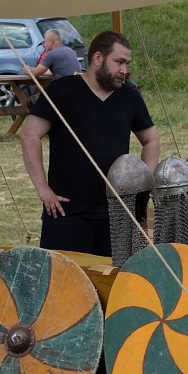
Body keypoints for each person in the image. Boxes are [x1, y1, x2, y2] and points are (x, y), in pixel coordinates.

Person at [20, 30, 159, 257]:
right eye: (119, 62)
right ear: (97, 58)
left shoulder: (129, 96)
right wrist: (43, 189)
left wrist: (142, 185)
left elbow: (151, 140)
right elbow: (29, 136)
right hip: (66, 213)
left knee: (113, 286)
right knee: (62, 285)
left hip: (116, 215)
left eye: (127, 63)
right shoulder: (62, 90)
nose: (125, 70)